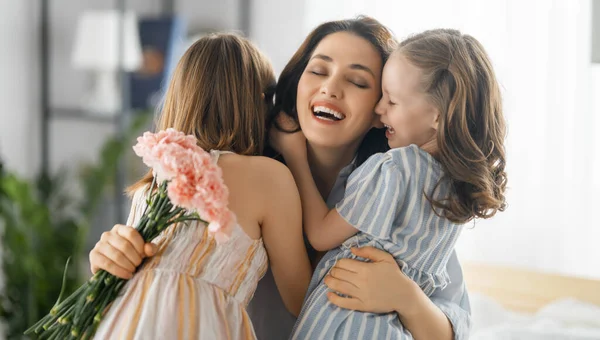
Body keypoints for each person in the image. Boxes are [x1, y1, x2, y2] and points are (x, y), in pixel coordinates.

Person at [272, 27, 507, 339]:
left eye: (358, 82)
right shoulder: (441, 184)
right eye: (317, 70)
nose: (330, 88)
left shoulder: (398, 178)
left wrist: (406, 297)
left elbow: (454, 329)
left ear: (375, 114)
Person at [89, 33, 312, 339]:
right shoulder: (268, 177)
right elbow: (301, 299)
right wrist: (296, 156)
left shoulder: (155, 178)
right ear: (261, 101)